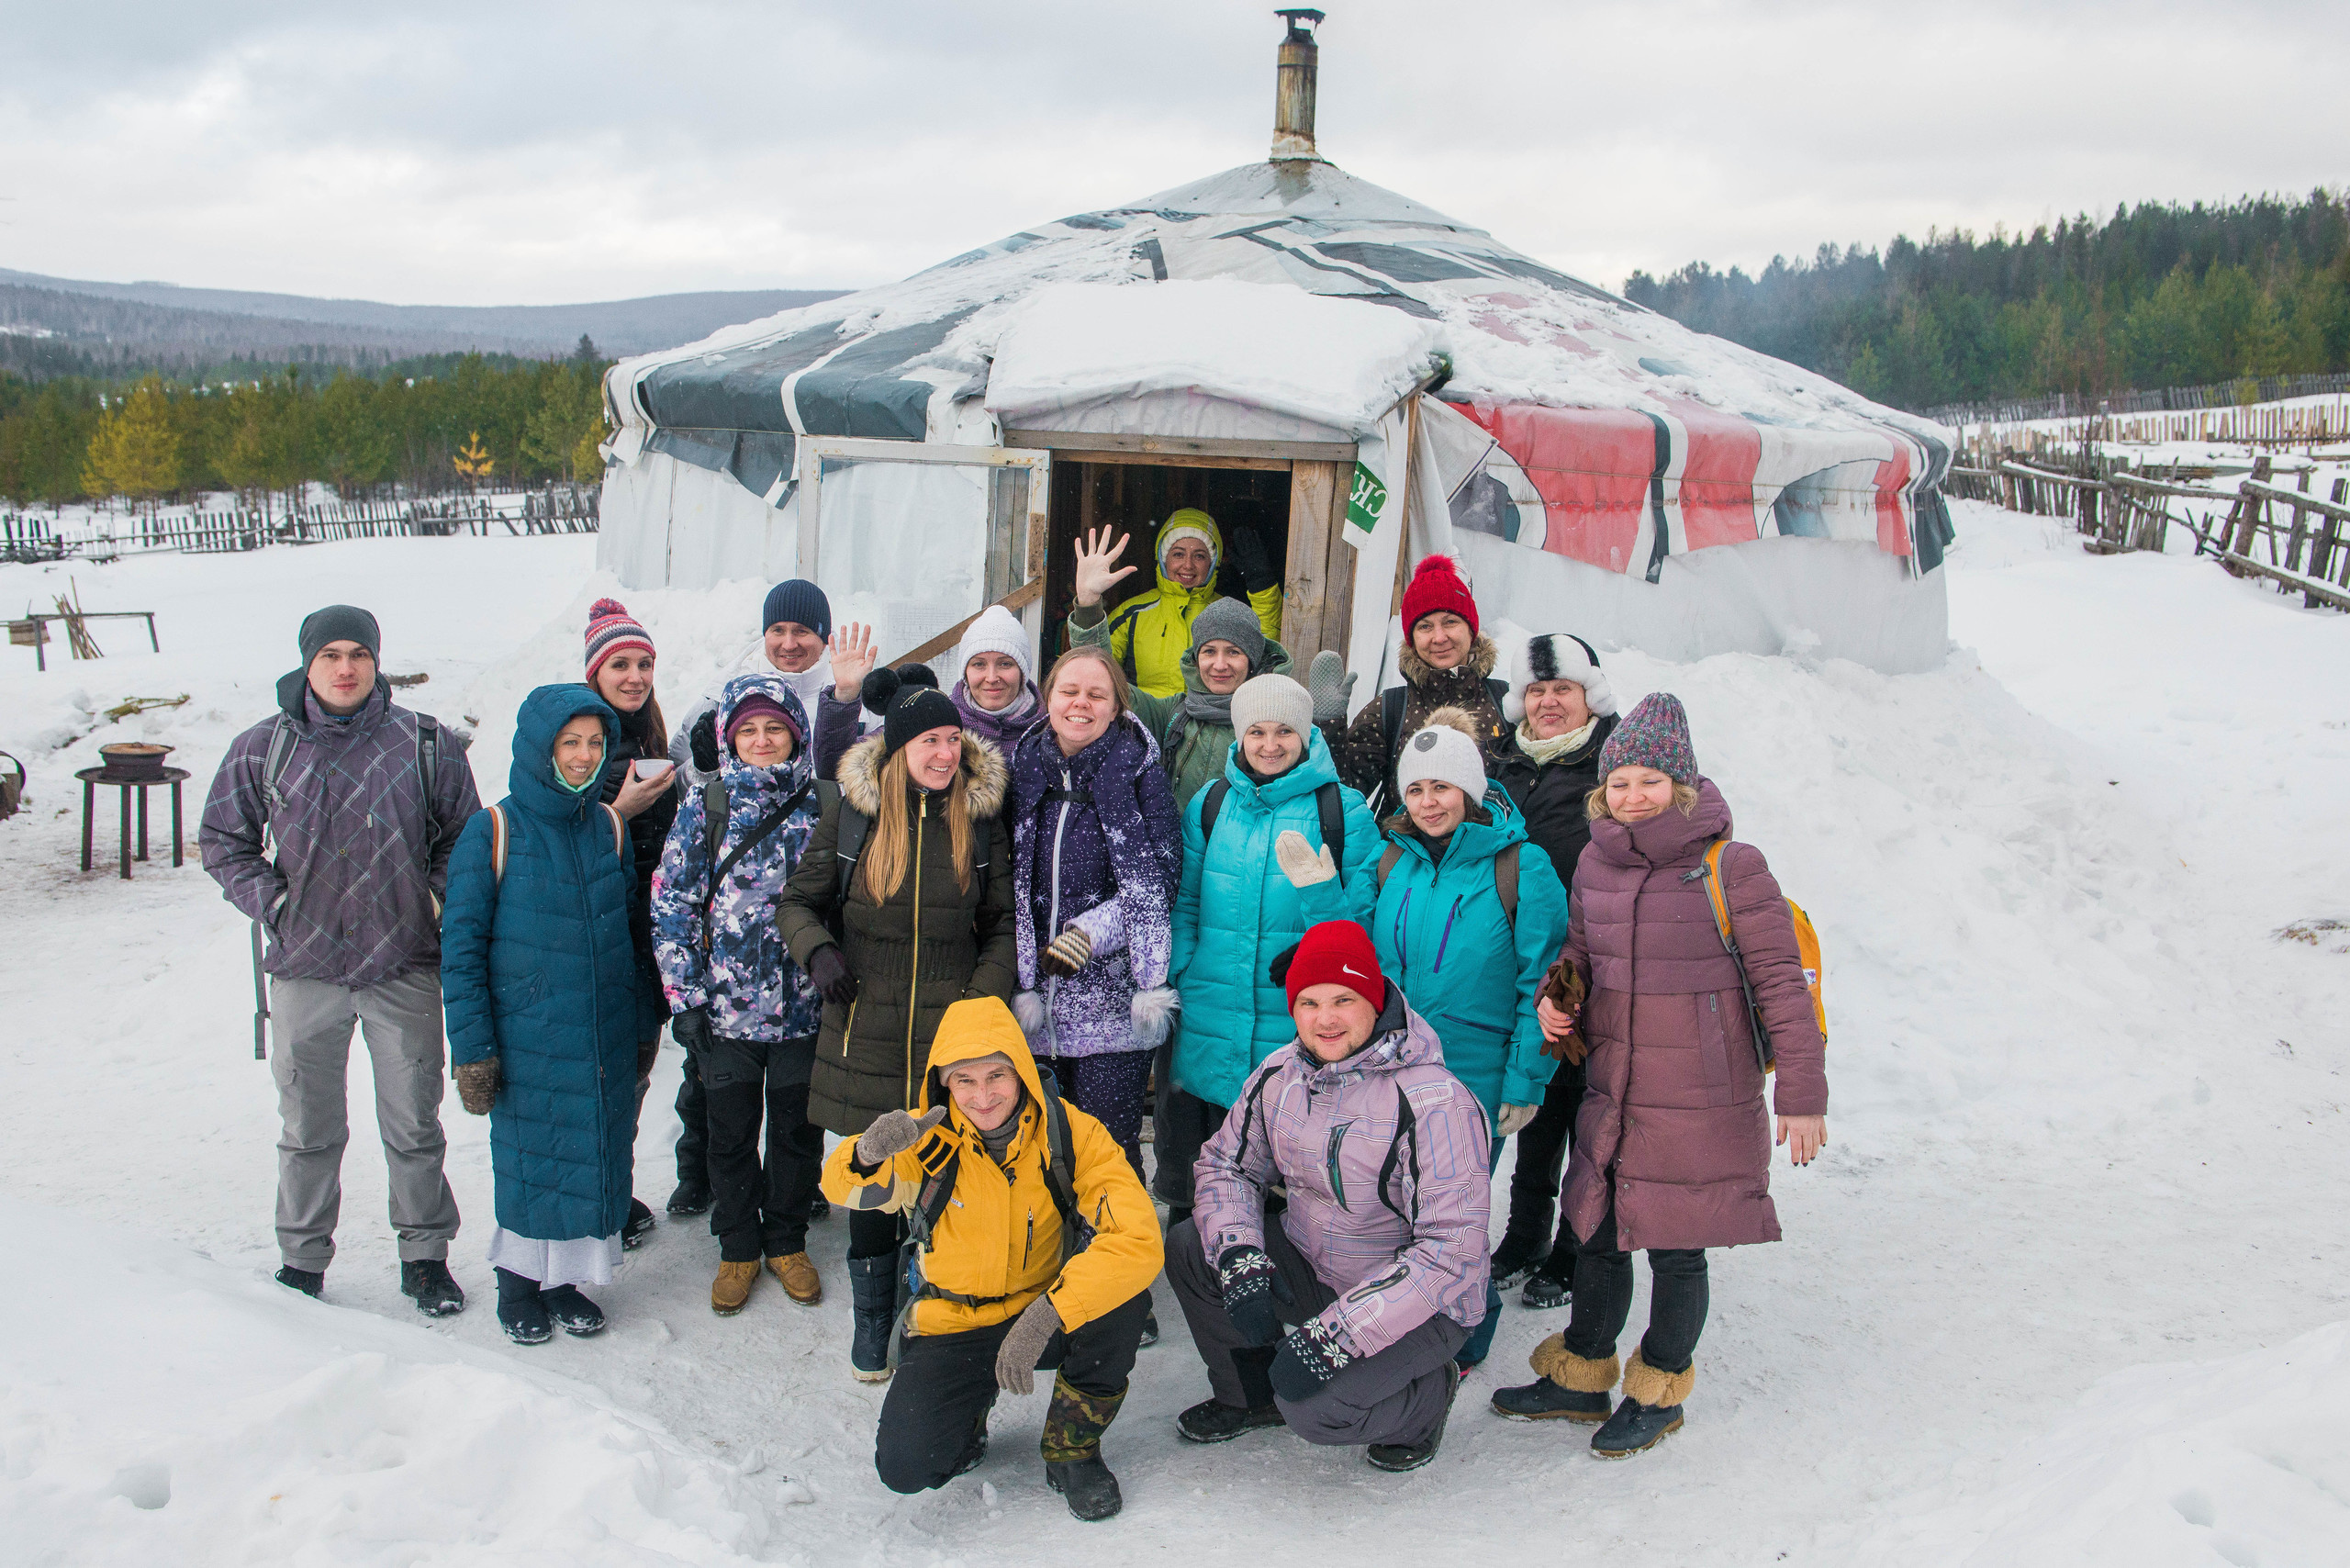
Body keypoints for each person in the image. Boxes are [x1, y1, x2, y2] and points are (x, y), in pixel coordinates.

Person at [1491, 693, 1828, 1457]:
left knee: (1680, 1246)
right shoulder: (1597, 865)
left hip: (1700, 1095)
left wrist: (1802, 1096)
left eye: (1649, 781)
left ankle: (1660, 1388)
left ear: (1680, 786)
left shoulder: (1732, 866)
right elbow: (1576, 957)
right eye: (1619, 783)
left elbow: (1781, 984)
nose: (1633, 797)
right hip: (1615, 1084)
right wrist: (1555, 1002)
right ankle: (1581, 1376)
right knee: (1599, 1234)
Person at [199, 605, 478, 1313]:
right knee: (308, 1128)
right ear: (308, 663)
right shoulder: (265, 747)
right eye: (331, 656)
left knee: (414, 1123)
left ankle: (424, 1256)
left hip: (404, 963)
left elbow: (464, 839)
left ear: (377, 660)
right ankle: (303, 1258)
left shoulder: (426, 744)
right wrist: (275, 904)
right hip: (305, 969)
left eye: (359, 653)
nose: (346, 667)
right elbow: (222, 840)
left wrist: (432, 900)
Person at [822, 997, 1163, 1521]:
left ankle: (1073, 1450)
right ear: (944, 1084)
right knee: (907, 1467)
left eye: (997, 1075)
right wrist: (866, 1154)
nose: (983, 1097)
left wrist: (1052, 1311)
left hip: (1042, 1310)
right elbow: (848, 1190)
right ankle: (969, 1418)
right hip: (953, 1320)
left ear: (1022, 1071)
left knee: (1123, 1300)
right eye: (964, 1080)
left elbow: (1138, 1238)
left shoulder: (1069, 1134)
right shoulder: (921, 1138)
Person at [1167, 921, 1490, 1473]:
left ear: (1376, 998)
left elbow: (1449, 1255)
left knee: (1317, 1412)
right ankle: (1250, 1396)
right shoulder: (1279, 1074)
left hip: (1425, 1306)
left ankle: (1426, 1400)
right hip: (1313, 1261)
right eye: (1309, 1002)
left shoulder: (1437, 1103)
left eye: (1344, 999)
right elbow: (1226, 1166)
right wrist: (1241, 1254)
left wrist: (1336, 1337)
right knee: (1191, 1250)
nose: (1326, 1019)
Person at [777, 679, 1018, 1380]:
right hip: (864, 1031)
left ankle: (932, 1309)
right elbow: (798, 901)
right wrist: (817, 951)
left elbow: (1001, 923)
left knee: (947, 1178)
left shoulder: (978, 822)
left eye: (951, 740)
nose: (944, 754)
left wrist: (979, 1004)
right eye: (928, 742)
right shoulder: (854, 818)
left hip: (952, 1039)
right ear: (898, 749)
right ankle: (872, 1317)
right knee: (875, 1182)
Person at [441, 685, 659, 1344]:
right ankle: (518, 1285)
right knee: (532, 1160)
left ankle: (565, 1282)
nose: (584, 755)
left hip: (601, 1034)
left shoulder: (608, 826)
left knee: (591, 1156)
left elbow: (629, 931)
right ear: (541, 747)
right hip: (528, 1036)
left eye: (596, 743)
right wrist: (473, 1048)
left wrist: (643, 1020)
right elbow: (460, 950)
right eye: (571, 743)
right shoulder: (494, 830)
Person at [1366, 711, 1570, 1371]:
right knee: (1396, 1201)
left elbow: (1544, 986)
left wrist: (1525, 1080)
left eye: (1443, 788)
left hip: (1474, 1072)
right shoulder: (1391, 857)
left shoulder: (1521, 867)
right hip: (1391, 1067)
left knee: (1453, 1212)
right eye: (1416, 789)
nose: (1428, 802)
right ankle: (1401, 1317)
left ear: (1472, 792)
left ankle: (1466, 1334)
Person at [1164, 673, 1379, 1230]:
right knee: (1200, 1166)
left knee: (1281, 1174)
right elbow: (1185, 900)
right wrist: (1182, 968)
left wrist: (1319, 891)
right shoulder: (1211, 805)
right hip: (1209, 1011)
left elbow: (1356, 933)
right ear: (1239, 736)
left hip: (1290, 1022)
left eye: (1285, 730)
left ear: (1306, 736)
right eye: (1256, 731)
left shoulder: (1343, 810)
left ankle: (1278, 1279)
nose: (1270, 744)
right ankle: (1196, 1266)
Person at [650, 676, 827, 1316]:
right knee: (728, 1136)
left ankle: (785, 1240)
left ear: (795, 734)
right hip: (726, 1013)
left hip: (805, 1010)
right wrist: (686, 997)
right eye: (747, 730)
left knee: (795, 1134)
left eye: (773, 728)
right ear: (729, 738)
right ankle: (738, 1247)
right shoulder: (707, 804)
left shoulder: (822, 803)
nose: (760, 740)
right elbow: (673, 899)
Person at [1006, 645, 1182, 1174]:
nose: (1081, 704)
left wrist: (1089, 934)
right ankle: (1053, 1256)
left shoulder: (1139, 774)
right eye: (1069, 691)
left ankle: (1112, 1253)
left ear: (1115, 706)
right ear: (1048, 698)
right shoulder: (1026, 766)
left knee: (1106, 1154)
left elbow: (1160, 881)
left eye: (1096, 694)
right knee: (1040, 1152)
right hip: (1036, 999)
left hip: (1113, 1004)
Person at [1486, 633, 1620, 1306]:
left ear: (1587, 694)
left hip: (1604, 964)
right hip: (1525, 960)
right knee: (1535, 1104)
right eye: (1536, 691)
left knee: (1588, 1114)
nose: (1547, 703)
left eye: (1560, 690)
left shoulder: (1613, 761)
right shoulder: (1500, 762)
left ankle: (1573, 1249)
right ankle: (1525, 1236)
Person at [1064, 525, 1296, 810]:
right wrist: (1088, 604)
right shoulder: (1174, 715)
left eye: (1234, 652)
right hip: (1174, 844)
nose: (1220, 664)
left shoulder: (1272, 726)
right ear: (1195, 658)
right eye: (1209, 651)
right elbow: (1103, 679)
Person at [582, 599, 684, 1245]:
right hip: (596, 937)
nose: (635, 676)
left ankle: (612, 1193)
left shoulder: (651, 737)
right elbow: (558, 840)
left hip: (647, 938)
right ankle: (593, 1199)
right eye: (620, 664)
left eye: (644, 663)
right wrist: (619, 810)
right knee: (598, 1075)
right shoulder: (577, 739)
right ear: (593, 672)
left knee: (636, 1072)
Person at [1310, 554, 1510, 805]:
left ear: (1471, 630)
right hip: (1405, 844)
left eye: (1450, 622)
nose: (1439, 637)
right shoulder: (1390, 709)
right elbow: (1343, 792)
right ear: (1412, 640)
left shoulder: (1506, 703)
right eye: (1425, 627)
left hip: (1495, 843)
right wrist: (1328, 727)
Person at [1064, 510, 1282, 700]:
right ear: (1162, 557)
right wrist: (1088, 602)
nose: (1188, 565)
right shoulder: (1133, 613)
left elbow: (1265, 654)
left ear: (1213, 562)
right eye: (1178, 554)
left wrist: (1262, 584)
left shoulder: (1228, 613)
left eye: (1199, 556)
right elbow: (1091, 664)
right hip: (1143, 727)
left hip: (1207, 730)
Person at [814, 605, 1037, 771]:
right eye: (979, 664)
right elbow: (837, 768)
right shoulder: (931, 719)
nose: (991, 677)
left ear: (1023, 672)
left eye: (1005, 664)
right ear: (965, 673)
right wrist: (844, 695)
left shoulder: (1047, 731)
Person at [669, 578, 845, 788]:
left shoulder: (851, 692)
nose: (789, 644)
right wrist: (703, 770)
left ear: (824, 637)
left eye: (801, 631)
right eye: (778, 630)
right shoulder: (723, 696)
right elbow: (674, 784)